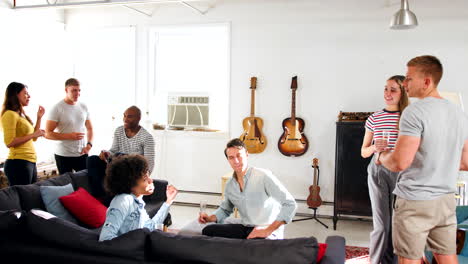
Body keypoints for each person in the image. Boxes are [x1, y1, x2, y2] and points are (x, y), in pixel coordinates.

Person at [377, 55, 468, 264]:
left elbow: (400, 162)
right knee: (446, 257)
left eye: (409, 78)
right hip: (445, 200)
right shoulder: (459, 113)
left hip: (415, 200)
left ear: (426, 82)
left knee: (408, 259)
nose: (405, 83)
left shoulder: (414, 111)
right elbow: (465, 162)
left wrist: (382, 156)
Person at [198, 138, 297, 239]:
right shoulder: (230, 185)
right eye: (231, 157)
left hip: (267, 229)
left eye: (239, 156)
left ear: (246, 154)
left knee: (254, 246)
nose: (236, 161)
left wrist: (267, 230)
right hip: (247, 228)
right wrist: (209, 218)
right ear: (228, 160)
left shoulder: (263, 176)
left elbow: (290, 204)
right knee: (208, 231)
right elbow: (225, 210)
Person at [361, 75, 409, 264]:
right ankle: (375, 261)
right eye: (386, 89)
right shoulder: (374, 118)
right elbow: (364, 152)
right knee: (382, 225)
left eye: (393, 90)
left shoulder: (408, 117)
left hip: (401, 171)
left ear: (402, 92)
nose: (387, 93)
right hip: (378, 170)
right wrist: (375, 148)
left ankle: (393, 261)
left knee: (397, 224)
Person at [99, 154, 178, 241]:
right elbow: (105, 239)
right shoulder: (123, 200)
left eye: (148, 176)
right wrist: (135, 246)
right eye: (144, 179)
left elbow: (150, 227)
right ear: (130, 183)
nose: (150, 180)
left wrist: (168, 201)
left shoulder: (138, 201)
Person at [87, 105, 155, 202]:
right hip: (117, 165)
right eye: (124, 116)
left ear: (138, 118)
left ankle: (110, 198)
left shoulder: (147, 137)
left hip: (133, 171)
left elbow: (150, 163)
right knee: (92, 159)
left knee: (121, 155)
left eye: (129, 116)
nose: (125, 119)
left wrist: (144, 178)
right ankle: (99, 196)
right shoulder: (119, 130)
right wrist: (106, 153)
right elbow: (113, 150)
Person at [45, 78, 93, 175]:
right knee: (67, 187)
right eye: (74, 90)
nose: (77, 93)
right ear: (66, 90)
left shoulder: (83, 106)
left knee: (85, 184)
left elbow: (90, 128)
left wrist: (89, 145)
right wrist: (69, 136)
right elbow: (47, 134)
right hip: (63, 155)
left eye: (79, 90)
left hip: (81, 154)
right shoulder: (57, 108)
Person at [1, 82, 45, 186]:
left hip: (30, 161)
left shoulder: (21, 115)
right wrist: (33, 135)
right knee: (24, 199)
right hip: (18, 163)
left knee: (31, 197)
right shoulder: (9, 114)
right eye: (25, 93)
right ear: (16, 95)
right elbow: (9, 142)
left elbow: (33, 138)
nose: (29, 96)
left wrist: (39, 118)